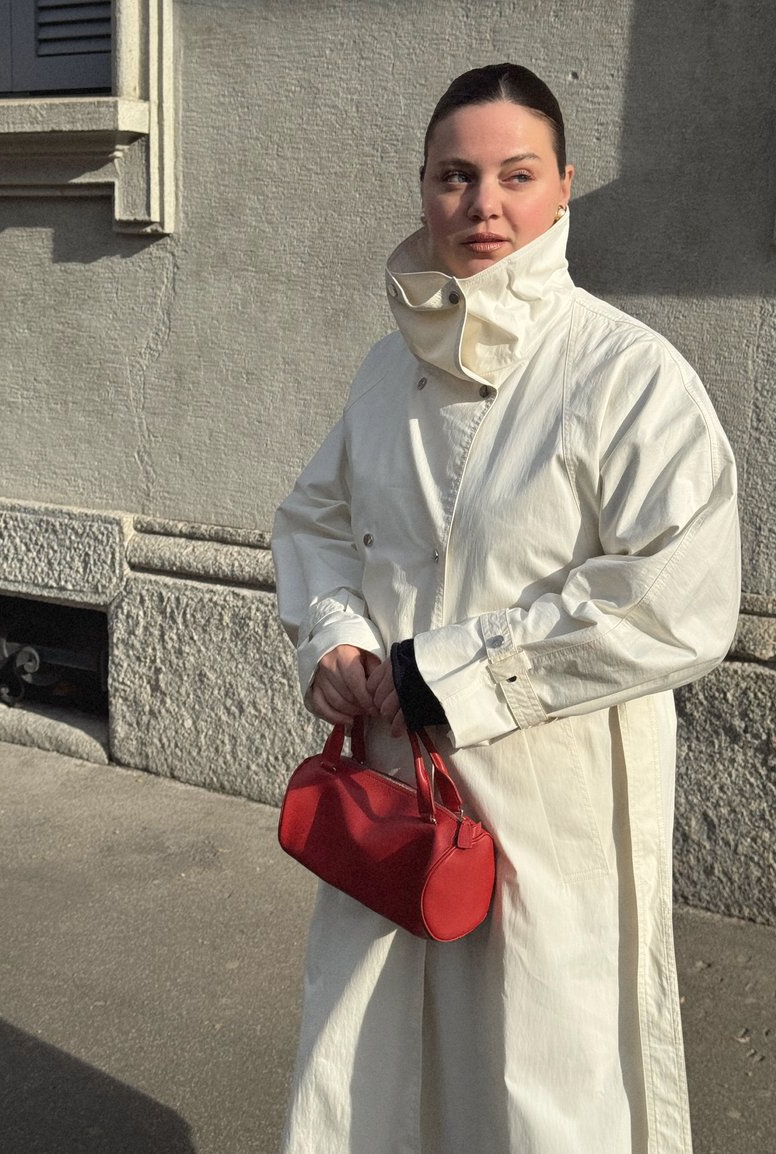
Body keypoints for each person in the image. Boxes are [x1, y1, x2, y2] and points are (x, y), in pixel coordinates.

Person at [272, 63, 740, 1154]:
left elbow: (678, 595)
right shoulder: (384, 376)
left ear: (562, 187)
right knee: (372, 1067)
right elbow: (317, 521)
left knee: (541, 1082)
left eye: (513, 175)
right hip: (392, 804)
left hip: (550, 801)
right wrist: (335, 633)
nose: (483, 203)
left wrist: (453, 670)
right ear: (423, 189)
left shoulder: (624, 374)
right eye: (455, 175)